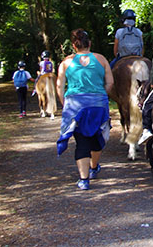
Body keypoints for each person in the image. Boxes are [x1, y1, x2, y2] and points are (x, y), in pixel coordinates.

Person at [56, 29, 114, 190]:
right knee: (96, 138)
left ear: (74, 45)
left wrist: (65, 104)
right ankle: (94, 168)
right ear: (89, 43)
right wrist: (101, 97)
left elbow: (59, 87)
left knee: (81, 140)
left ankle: (84, 179)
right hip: (98, 104)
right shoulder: (101, 59)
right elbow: (110, 83)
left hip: (75, 105)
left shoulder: (66, 62)